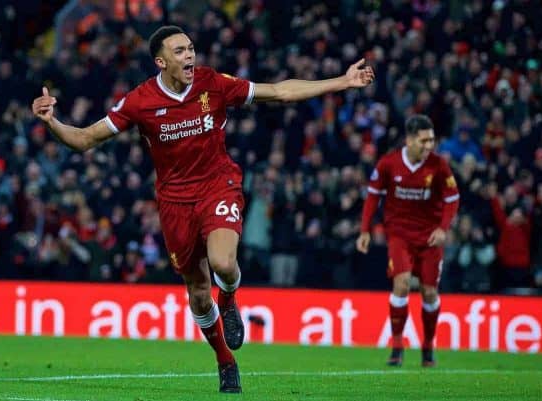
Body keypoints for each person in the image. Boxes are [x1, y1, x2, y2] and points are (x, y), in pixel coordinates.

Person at [32, 25, 374, 393]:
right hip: (175, 202)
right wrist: (52, 122)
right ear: (161, 61)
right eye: (179, 52)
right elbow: (84, 139)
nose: (189, 56)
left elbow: (279, 91)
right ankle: (225, 360)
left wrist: (341, 81)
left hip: (218, 186)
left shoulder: (213, 83)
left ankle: (228, 300)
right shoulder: (139, 101)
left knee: (224, 263)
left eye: (191, 48)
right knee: (196, 291)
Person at [356, 115, 459, 367]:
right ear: (410, 140)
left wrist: (444, 229)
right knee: (401, 284)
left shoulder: (439, 165)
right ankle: (398, 346)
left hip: (430, 238)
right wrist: (365, 230)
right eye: (424, 140)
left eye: (432, 140)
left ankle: (428, 346)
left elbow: (452, 199)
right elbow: (372, 197)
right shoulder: (389, 163)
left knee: (430, 292)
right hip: (400, 235)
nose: (429, 146)